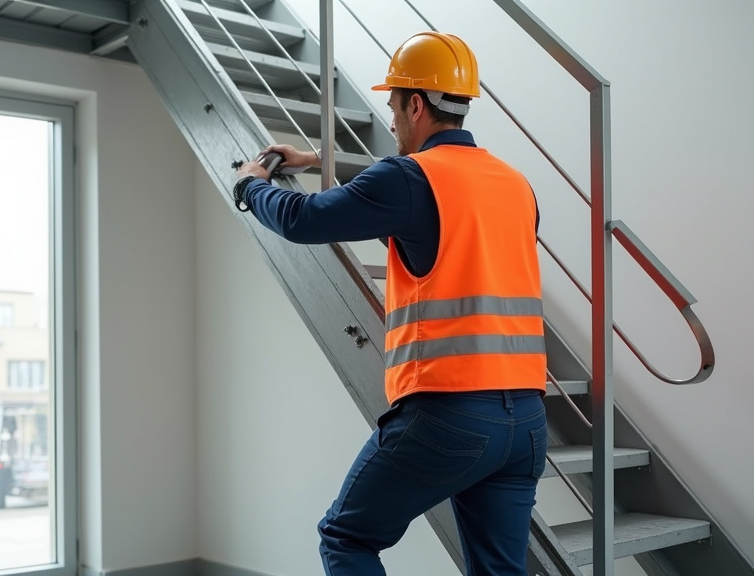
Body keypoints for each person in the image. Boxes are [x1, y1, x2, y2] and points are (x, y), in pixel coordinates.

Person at [231, 31, 548, 576]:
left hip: (449, 413)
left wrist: (251, 186)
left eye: (394, 106)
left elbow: (305, 219)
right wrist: (319, 159)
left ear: (416, 104)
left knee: (345, 537)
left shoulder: (409, 178)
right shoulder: (516, 184)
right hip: (526, 423)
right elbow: (420, 204)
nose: (393, 121)